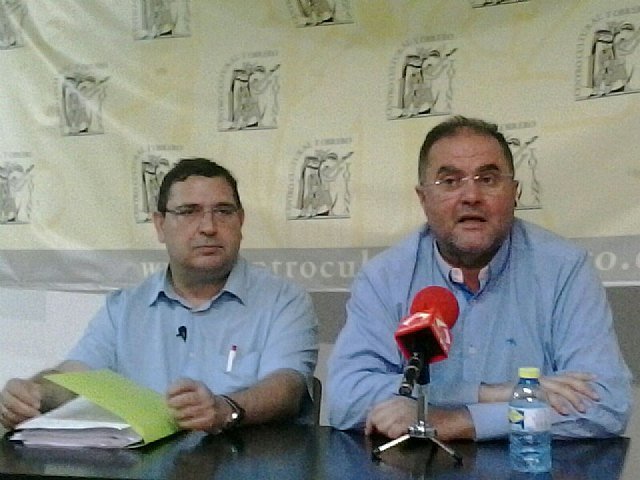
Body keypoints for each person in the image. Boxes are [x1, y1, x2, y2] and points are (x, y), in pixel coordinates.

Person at [327, 116, 632, 441]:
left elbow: (605, 404)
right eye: (450, 181)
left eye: (488, 179)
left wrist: (460, 421)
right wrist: (492, 393)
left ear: (514, 193)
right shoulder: (385, 277)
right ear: (423, 198)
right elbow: (346, 398)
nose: (471, 196)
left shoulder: (563, 269)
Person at [0, 158, 318, 433]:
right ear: (160, 225)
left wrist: (225, 409)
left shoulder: (284, 301)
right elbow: (76, 377)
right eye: (189, 212)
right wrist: (33, 393)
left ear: (241, 221)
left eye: (223, 211)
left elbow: (287, 387)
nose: (208, 227)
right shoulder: (124, 308)